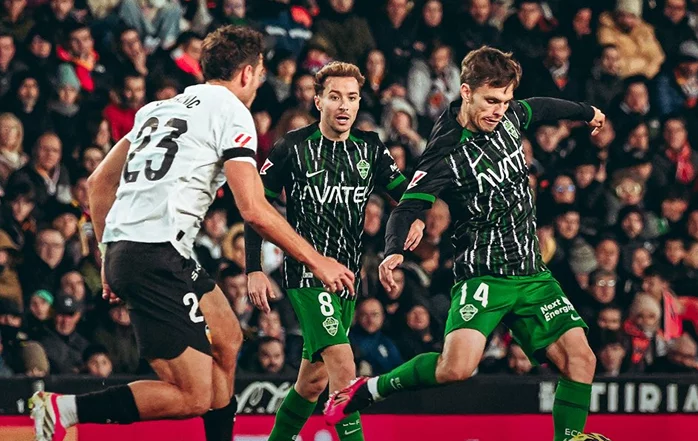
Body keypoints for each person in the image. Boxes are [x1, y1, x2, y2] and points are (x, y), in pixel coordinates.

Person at [29, 25, 356, 441]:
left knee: (228, 338)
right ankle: (64, 409)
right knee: (193, 396)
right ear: (247, 73)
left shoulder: (158, 109)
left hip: (152, 251)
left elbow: (97, 184)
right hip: (155, 256)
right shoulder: (232, 112)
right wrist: (317, 261)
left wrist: (110, 256)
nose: (259, 82)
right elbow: (253, 209)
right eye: (259, 73)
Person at [323, 46, 610, 441]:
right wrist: (393, 251)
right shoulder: (445, 150)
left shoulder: (509, 115)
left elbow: (539, 107)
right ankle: (367, 390)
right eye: (491, 101)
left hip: (531, 272)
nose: (500, 110)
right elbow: (408, 207)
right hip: (483, 275)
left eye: (505, 100)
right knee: (455, 368)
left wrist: (584, 111)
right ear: (467, 92)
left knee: (581, 360)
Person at [245, 61, 424, 441]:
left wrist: (417, 216)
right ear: (318, 101)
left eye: (352, 98)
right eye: (335, 97)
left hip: (347, 279)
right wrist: (254, 268)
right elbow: (256, 207)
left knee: (312, 383)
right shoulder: (292, 147)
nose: (344, 105)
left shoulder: (370, 148)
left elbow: (406, 194)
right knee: (344, 367)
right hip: (307, 274)